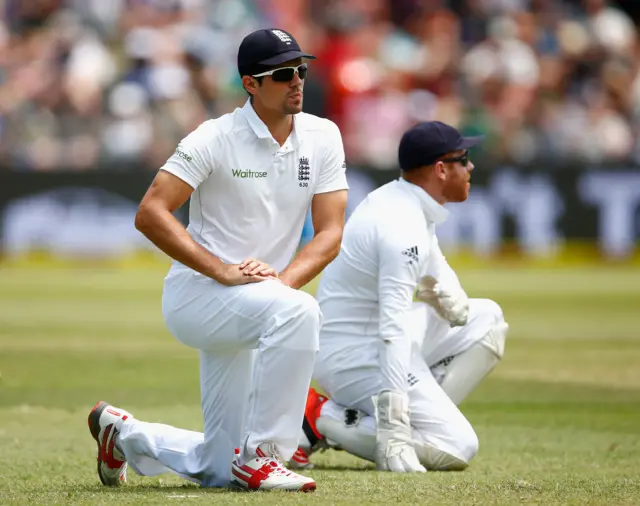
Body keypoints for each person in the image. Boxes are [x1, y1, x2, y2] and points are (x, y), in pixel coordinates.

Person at [86, 28, 349, 492]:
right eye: (283, 74)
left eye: (301, 71)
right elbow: (150, 212)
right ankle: (264, 456)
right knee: (302, 312)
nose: (297, 82)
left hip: (261, 301)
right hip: (199, 296)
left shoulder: (323, 135)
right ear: (250, 84)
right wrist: (222, 270)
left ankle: (123, 434)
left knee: (217, 468)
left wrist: (281, 284)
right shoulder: (215, 137)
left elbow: (330, 233)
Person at [290, 122, 508, 472]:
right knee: (458, 446)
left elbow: (435, 266)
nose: (471, 168)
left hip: (374, 338)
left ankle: (387, 421)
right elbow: (391, 329)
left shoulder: (407, 201)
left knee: (488, 319)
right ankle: (321, 418)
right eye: (463, 160)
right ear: (440, 169)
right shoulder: (400, 226)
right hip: (354, 356)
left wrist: (450, 291)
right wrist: (392, 426)